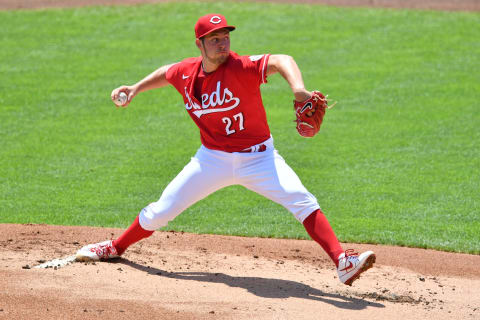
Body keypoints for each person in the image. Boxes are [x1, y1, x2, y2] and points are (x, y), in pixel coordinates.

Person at [76, 13, 375, 286]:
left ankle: (342, 261)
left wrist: (298, 89)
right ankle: (115, 247)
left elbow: (282, 59)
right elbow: (166, 72)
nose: (223, 44)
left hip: (260, 158)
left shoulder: (241, 66)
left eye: (226, 37)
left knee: (302, 199)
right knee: (160, 212)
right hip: (211, 160)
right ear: (200, 44)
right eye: (215, 39)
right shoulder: (186, 73)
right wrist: (136, 87)